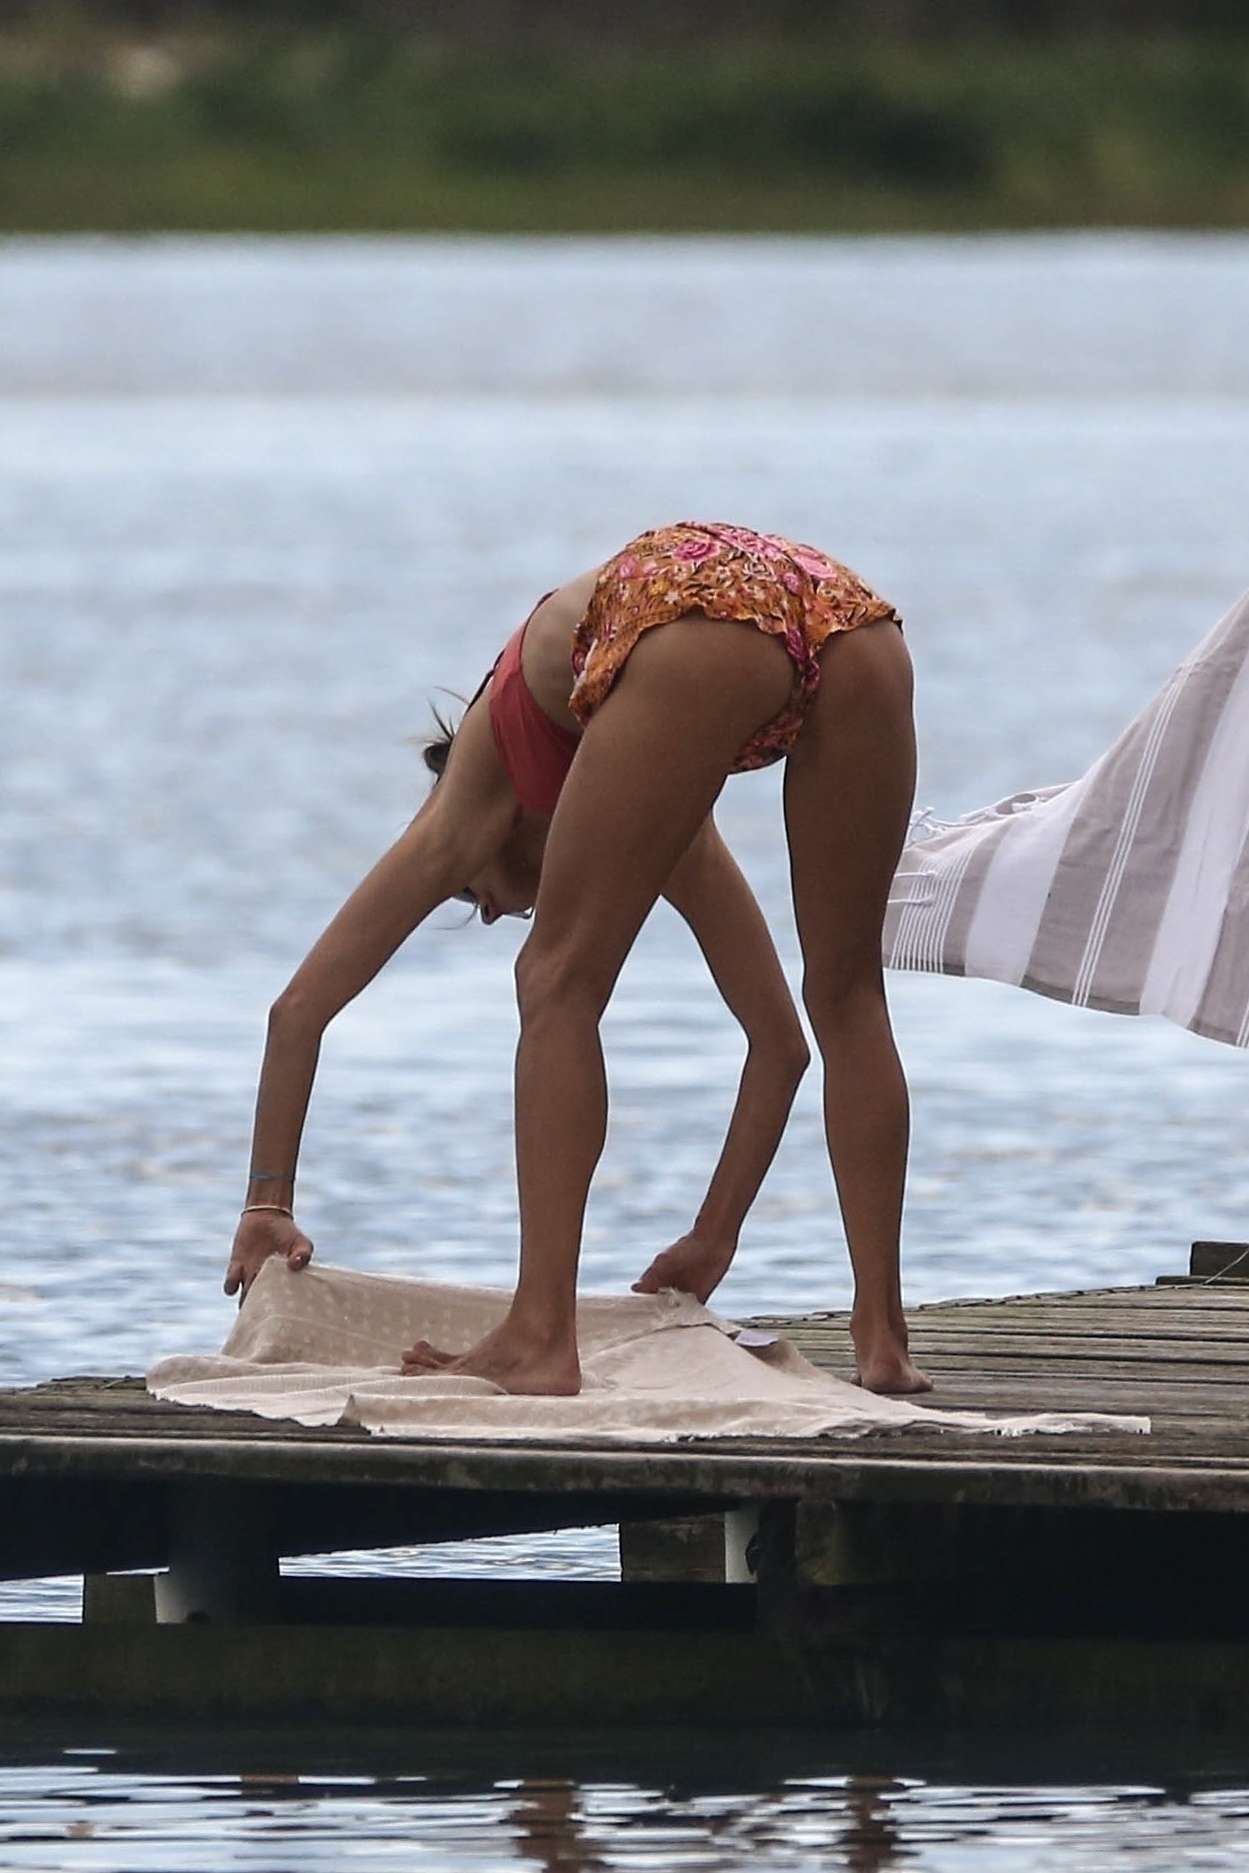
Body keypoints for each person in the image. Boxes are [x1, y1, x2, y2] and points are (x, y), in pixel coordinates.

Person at [222, 520, 931, 1397]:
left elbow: (297, 1010)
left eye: (476, 897)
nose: (492, 911)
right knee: (848, 994)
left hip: (696, 612)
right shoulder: (652, 792)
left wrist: (264, 1202)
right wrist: (713, 1235)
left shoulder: (464, 807)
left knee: (552, 980)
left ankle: (538, 1334)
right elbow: (779, 1045)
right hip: (853, 625)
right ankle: (882, 1339)